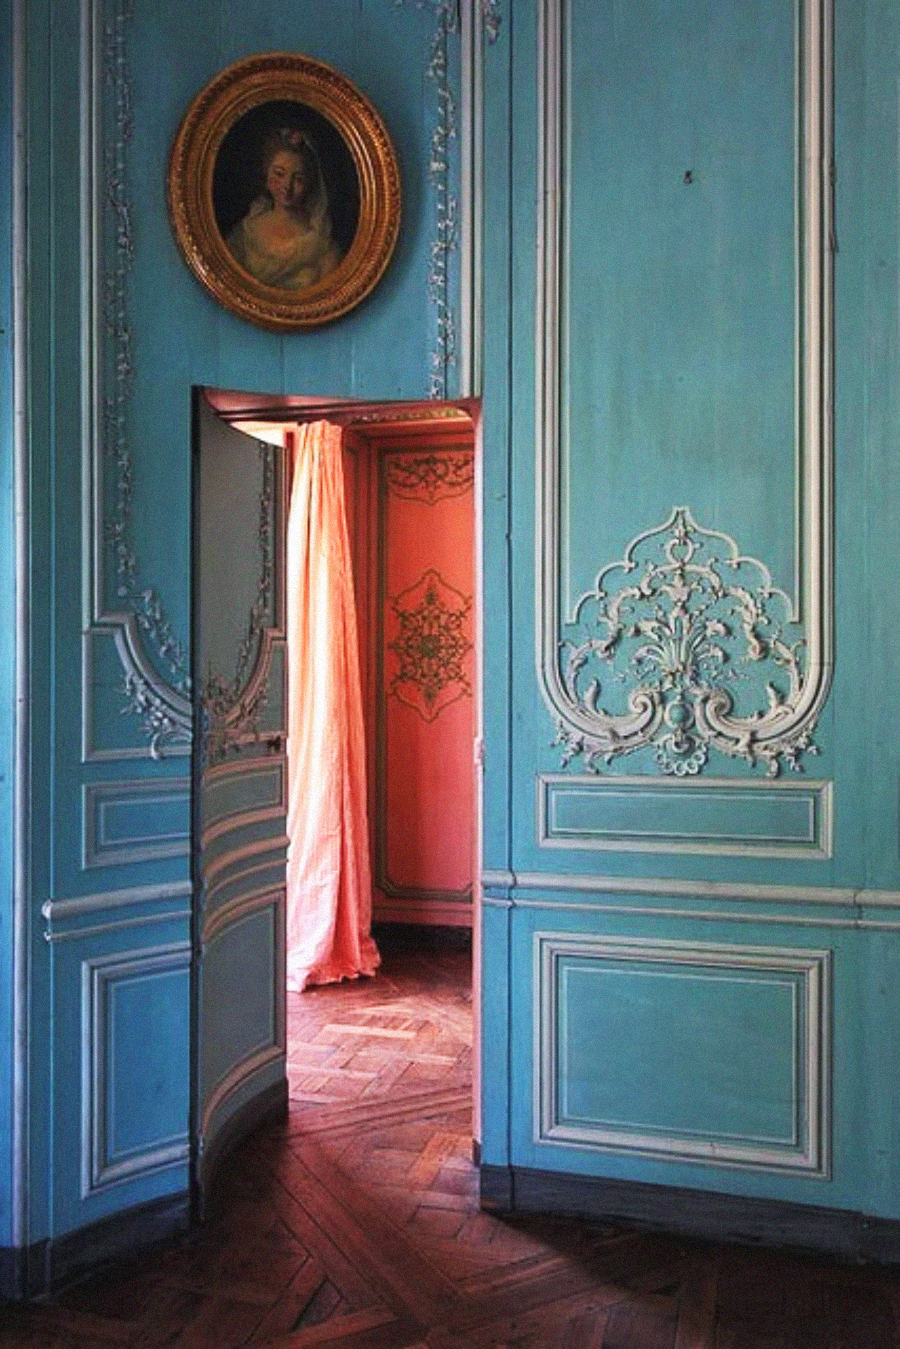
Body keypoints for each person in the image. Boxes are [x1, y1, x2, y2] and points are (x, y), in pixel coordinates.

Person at [226, 127, 344, 290]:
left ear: (309, 184)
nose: (286, 186)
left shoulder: (321, 244)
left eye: (298, 179)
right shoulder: (246, 233)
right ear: (266, 175)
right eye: (279, 174)